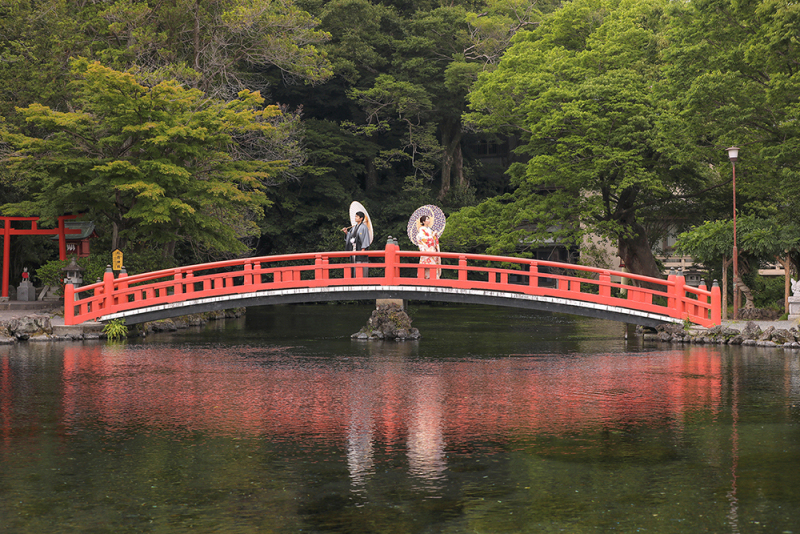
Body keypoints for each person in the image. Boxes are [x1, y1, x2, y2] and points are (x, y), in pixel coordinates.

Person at [343, 211, 371, 277]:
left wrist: (363, 249)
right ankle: (354, 278)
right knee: (354, 262)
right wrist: (346, 232)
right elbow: (350, 236)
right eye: (355, 216)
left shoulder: (364, 227)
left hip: (360, 248)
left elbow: (366, 238)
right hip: (354, 248)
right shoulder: (354, 227)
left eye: (357, 216)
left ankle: (362, 278)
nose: (355, 218)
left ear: (361, 218)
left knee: (361, 262)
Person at [416, 215, 441, 279]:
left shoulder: (430, 230)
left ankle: (432, 279)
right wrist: (432, 236)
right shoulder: (422, 230)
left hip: (432, 250)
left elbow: (433, 240)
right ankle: (428, 279)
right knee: (431, 265)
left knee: (433, 265)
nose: (429, 220)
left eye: (429, 219)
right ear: (423, 221)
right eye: (427, 219)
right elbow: (423, 239)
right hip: (426, 250)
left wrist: (435, 236)